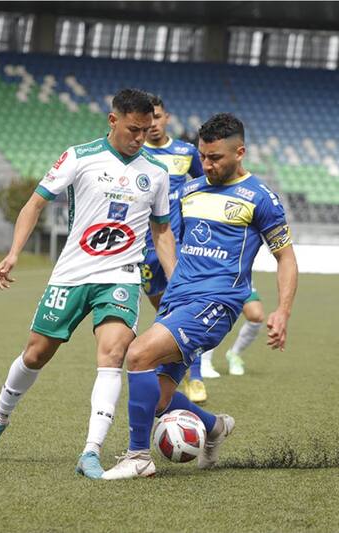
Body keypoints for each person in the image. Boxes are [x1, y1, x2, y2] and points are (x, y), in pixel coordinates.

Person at [0, 89, 177, 479]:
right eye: (133, 129)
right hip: (72, 273)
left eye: (146, 131)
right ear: (113, 120)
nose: (139, 137)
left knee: (114, 354)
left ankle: (91, 451)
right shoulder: (79, 157)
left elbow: (162, 231)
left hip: (120, 277)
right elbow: (34, 204)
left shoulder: (157, 173)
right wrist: (14, 252)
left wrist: (177, 281)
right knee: (35, 354)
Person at [102, 113, 299, 480]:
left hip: (216, 305)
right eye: (203, 156)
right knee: (159, 401)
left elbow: (286, 258)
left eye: (215, 158)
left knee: (138, 354)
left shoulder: (260, 198)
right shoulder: (190, 192)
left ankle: (138, 456)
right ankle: (215, 427)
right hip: (179, 301)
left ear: (239, 152)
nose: (206, 165)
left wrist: (282, 311)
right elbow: (167, 239)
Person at [139, 95, 209, 402]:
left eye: (157, 117)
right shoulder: (136, 153)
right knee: (165, 313)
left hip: (179, 246)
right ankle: (169, 369)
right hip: (143, 250)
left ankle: (195, 377)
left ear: (167, 117)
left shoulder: (186, 152)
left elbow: (206, 184)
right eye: (148, 118)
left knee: (185, 310)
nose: (153, 124)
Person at [198, 292, 265, 378]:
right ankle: (204, 361)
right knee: (215, 312)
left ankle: (234, 354)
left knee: (256, 316)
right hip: (217, 284)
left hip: (242, 285)